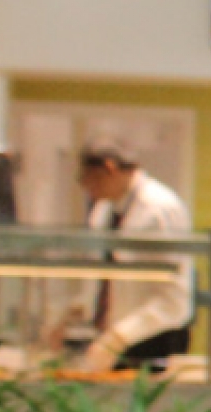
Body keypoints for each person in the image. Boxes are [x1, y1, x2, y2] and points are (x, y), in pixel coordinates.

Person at [58, 139, 195, 371]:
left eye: (88, 179)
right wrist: (73, 314)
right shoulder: (106, 208)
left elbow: (173, 298)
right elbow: (103, 274)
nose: (87, 189)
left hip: (154, 336)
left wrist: (119, 337)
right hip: (116, 335)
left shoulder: (159, 208)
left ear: (109, 169)